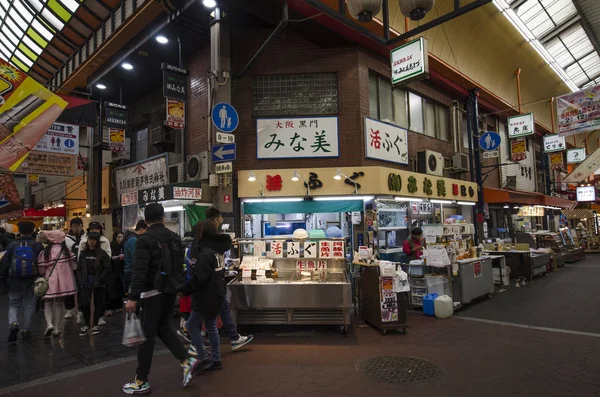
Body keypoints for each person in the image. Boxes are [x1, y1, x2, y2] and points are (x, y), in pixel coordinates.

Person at [123, 203, 198, 395]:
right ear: (163, 217)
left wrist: (133, 297)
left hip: (151, 293)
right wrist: (180, 288)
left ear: (146, 220)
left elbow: (140, 271)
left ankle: (141, 380)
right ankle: (186, 359)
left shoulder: (144, 239)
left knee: (145, 337)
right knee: (163, 327)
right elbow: (179, 265)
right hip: (169, 292)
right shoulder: (174, 237)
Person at [205, 207, 253, 351]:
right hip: (212, 282)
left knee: (218, 311)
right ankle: (206, 348)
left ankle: (230, 339)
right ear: (216, 219)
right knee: (210, 316)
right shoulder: (210, 241)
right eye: (220, 219)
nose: (221, 221)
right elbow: (223, 248)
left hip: (213, 282)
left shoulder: (204, 240)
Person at [186, 220, 230, 371]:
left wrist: (186, 288)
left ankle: (203, 358)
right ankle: (216, 359)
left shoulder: (205, 253)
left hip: (206, 296)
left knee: (191, 325)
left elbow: (201, 278)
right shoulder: (217, 250)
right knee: (211, 326)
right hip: (217, 293)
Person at [0, 221, 44, 342]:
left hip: (14, 280)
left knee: (14, 304)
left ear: (19, 231)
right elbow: (41, 264)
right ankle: (26, 329)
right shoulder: (37, 245)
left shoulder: (12, 245)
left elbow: (5, 264)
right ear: (32, 230)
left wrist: (3, 278)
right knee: (30, 304)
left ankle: (13, 323)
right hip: (32, 279)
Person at [37, 229, 77, 338]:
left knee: (48, 303)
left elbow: (41, 271)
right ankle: (56, 328)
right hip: (65, 284)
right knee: (59, 304)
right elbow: (74, 266)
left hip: (50, 282)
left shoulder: (44, 253)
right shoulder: (67, 251)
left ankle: (49, 324)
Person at [76, 232, 111, 337]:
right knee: (85, 304)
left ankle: (95, 324)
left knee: (98, 303)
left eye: (94, 240)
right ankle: (86, 324)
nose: (91, 242)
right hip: (85, 282)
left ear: (97, 241)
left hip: (98, 282)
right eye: (90, 239)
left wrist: (101, 279)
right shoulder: (83, 253)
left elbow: (107, 268)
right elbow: (79, 268)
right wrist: (81, 279)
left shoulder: (102, 254)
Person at [64, 218, 85, 320]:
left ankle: (81, 310)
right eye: (74, 225)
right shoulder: (65, 239)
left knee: (82, 288)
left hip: (83, 268)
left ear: (82, 226)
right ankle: (69, 309)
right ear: (71, 226)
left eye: (78, 225)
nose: (76, 227)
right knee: (69, 288)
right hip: (69, 267)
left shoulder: (86, 237)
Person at [123, 220, 148, 295]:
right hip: (132, 273)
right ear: (141, 229)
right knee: (133, 296)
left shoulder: (130, 238)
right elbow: (136, 258)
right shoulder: (134, 240)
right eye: (145, 231)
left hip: (130, 271)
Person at [106, 231, 126, 316]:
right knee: (111, 289)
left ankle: (118, 306)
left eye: (121, 237)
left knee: (119, 288)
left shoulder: (123, 246)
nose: (120, 239)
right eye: (118, 237)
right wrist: (113, 258)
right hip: (112, 270)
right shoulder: (111, 245)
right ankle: (110, 308)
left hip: (120, 270)